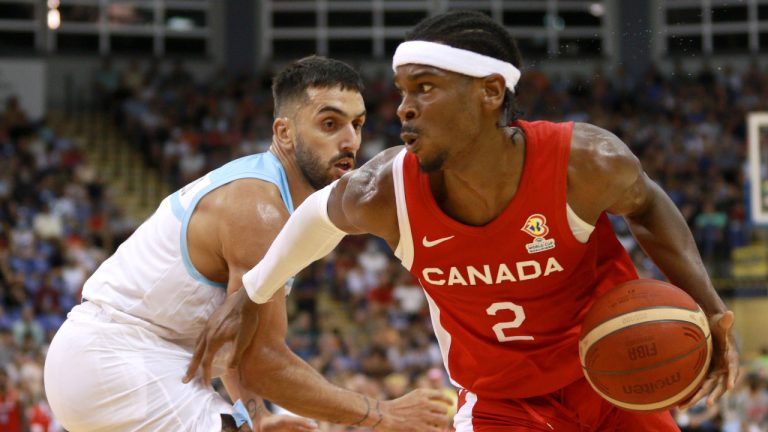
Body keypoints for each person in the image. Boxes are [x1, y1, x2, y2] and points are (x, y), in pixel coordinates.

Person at [188, 11, 740, 432]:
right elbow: (315, 216)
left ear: (490, 92)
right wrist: (252, 292)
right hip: (501, 403)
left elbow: (647, 205)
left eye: (424, 88)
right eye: (403, 92)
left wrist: (711, 307)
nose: (403, 108)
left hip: (609, 379)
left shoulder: (584, 162)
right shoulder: (389, 190)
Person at [44, 56, 451, 432]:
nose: (349, 141)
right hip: (117, 359)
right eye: (330, 124)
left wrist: (255, 416)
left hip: (126, 361)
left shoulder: (282, 203)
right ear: (285, 132)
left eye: (357, 125)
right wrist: (381, 414)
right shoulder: (260, 207)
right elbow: (262, 362)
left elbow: (240, 336)